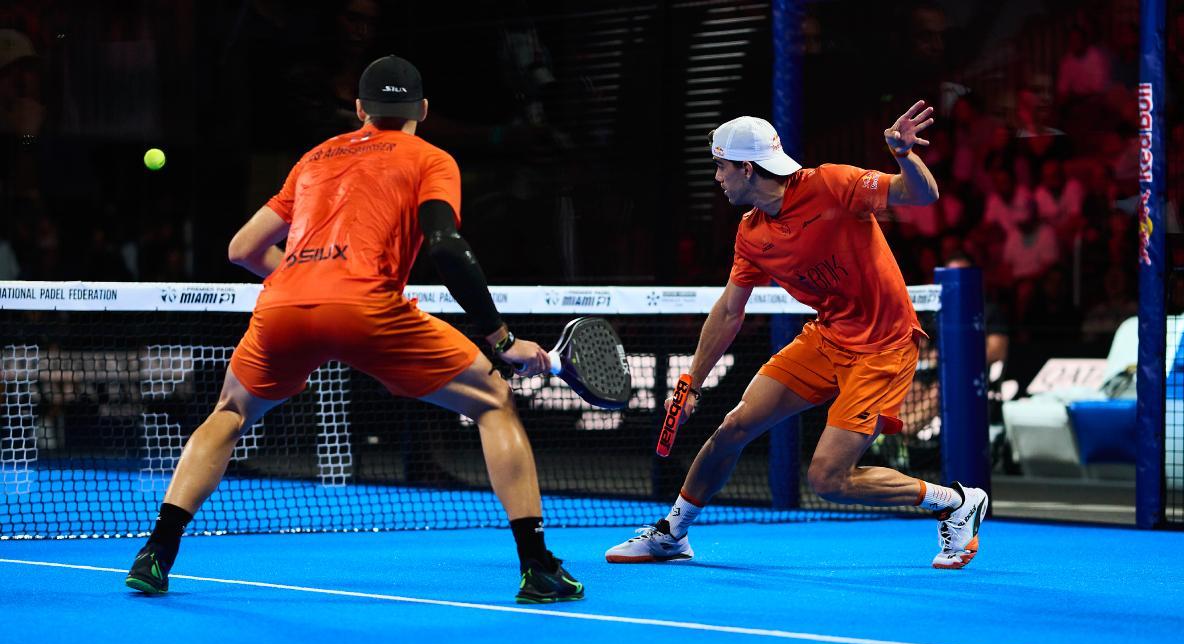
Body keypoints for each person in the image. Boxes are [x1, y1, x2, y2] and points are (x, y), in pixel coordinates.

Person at [124, 56, 583, 604]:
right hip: (370, 309)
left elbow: (241, 249)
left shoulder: (315, 158)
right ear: (424, 111)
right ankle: (537, 567)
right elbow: (446, 248)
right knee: (493, 400)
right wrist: (502, 340)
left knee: (229, 412)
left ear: (360, 109)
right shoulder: (431, 158)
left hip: (284, 307)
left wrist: (305, 275)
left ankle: (156, 552)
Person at [606, 102, 988, 569]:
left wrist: (905, 155)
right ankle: (672, 533)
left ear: (747, 168)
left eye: (721, 167)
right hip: (826, 339)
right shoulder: (751, 234)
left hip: (883, 347)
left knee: (828, 479)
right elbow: (729, 311)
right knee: (734, 427)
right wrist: (691, 384)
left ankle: (953, 501)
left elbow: (921, 195)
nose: (717, 177)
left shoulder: (831, 184)